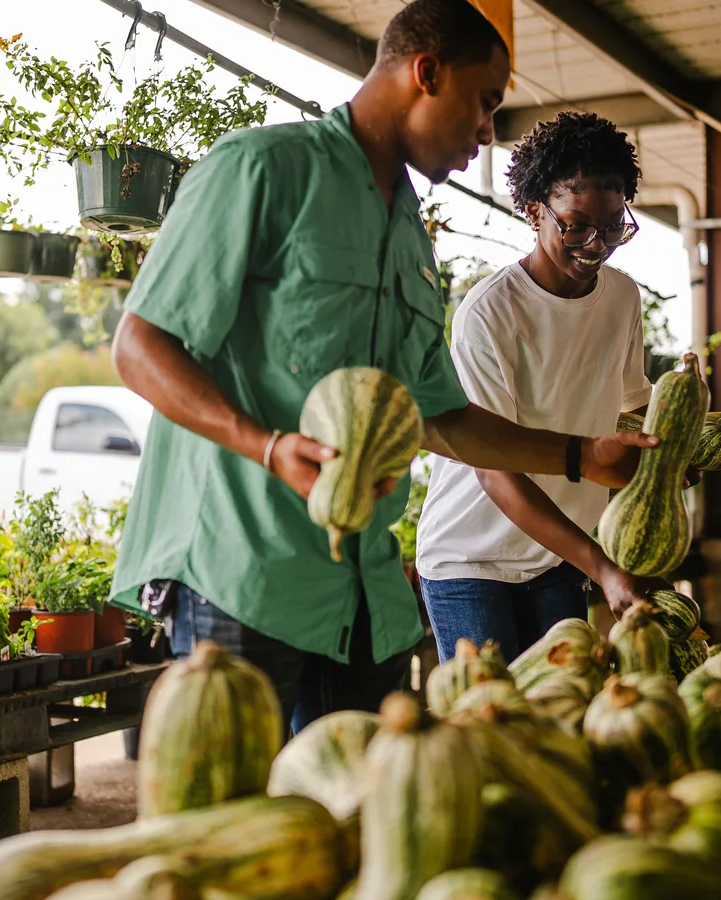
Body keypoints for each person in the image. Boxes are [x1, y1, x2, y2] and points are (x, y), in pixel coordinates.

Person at [107, 0, 661, 734]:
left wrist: (581, 456)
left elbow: (442, 417)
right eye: (483, 102)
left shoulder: (408, 238)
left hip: (360, 592)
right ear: (426, 73)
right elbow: (141, 346)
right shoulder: (263, 168)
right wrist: (267, 448)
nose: (486, 132)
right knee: (232, 800)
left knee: (364, 794)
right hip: (239, 571)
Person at [416, 111, 679, 664]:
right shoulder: (490, 313)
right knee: (490, 712)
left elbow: (631, 408)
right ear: (535, 209)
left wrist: (670, 462)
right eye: (576, 225)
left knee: (561, 709)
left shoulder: (622, 298)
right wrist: (602, 566)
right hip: (471, 560)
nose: (596, 244)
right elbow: (494, 470)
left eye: (613, 226)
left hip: (558, 556)